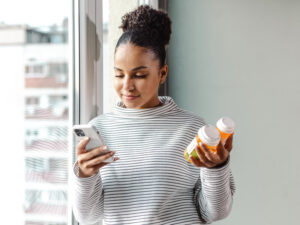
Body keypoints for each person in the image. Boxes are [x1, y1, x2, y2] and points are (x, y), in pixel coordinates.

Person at [71, 5, 235, 225]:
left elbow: (215, 212)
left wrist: (216, 168)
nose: (127, 86)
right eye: (119, 75)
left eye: (139, 75)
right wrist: (84, 175)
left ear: (162, 73)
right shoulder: (99, 130)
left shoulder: (191, 128)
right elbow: (88, 217)